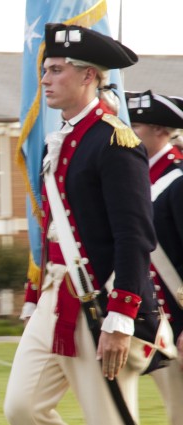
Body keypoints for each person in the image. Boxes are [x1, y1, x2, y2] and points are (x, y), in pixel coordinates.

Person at [3, 24, 159, 424]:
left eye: (56, 69)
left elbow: (134, 236)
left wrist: (121, 318)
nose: (44, 79)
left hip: (100, 300)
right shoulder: (62, 139)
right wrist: (35, 295)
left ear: (88, 75)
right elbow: (56, 229)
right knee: (21, 409)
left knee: (108, 418)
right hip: (55, 296)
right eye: (45, 69)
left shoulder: (115, 142)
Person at [125, 89, 183, 424]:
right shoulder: (134, 179)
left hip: (176, 321)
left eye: (137, 126)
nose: (128, 134)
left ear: (161, 131)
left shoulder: (177, 181)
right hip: (148, 322)